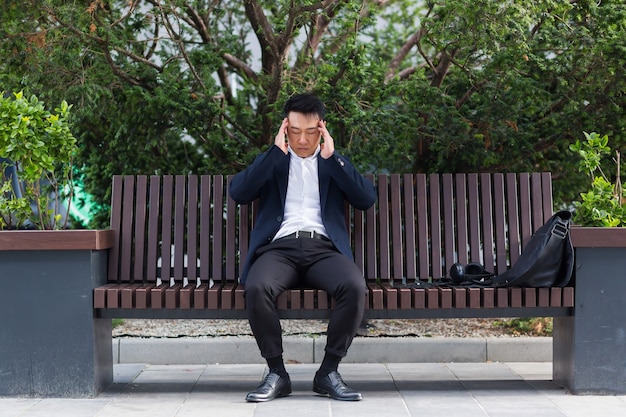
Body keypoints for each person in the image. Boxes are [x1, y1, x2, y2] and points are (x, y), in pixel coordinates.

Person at [229, 93, 376, 402]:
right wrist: (274, 153)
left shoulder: (332, 163)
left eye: (310, 132)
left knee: (354, 286)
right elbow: (239, 193)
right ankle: (277, 373)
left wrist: (334, 157)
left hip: (324, 250)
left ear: (321, 129)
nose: (303, 139)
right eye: (295, 131)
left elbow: (366, 199)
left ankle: (328, 372)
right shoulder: (275, 161)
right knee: (257, 288)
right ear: (285, 128)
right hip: (279, 250)